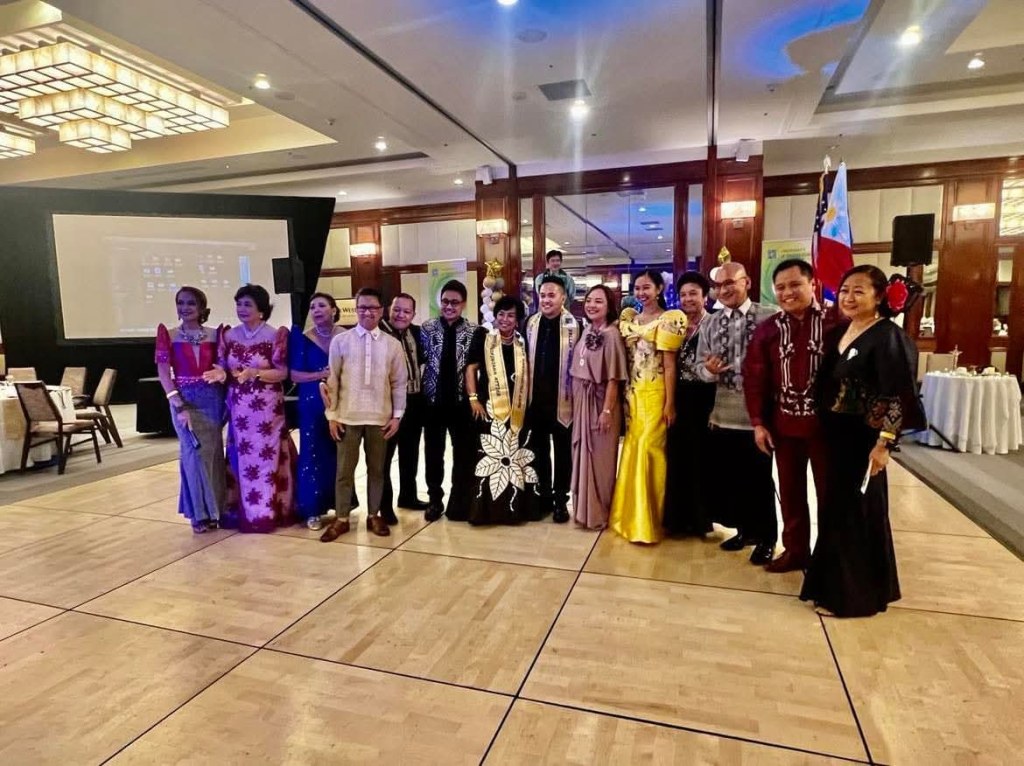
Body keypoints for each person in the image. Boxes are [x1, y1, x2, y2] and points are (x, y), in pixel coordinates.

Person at [801, 266, 923, 617]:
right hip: (834, 434)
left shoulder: (888, 336)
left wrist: (884, 444)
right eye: (844, 290)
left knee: (859, 511)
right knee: (835, 510)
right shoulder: (842, 330)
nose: (849, 298)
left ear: (879, 296)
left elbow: (897, 394)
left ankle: (855, 598)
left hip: (865, 438)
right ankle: (829, 586)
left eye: (859, 291)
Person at [744, 260, 831, 572]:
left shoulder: (836, 322)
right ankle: (796, 552)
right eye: (780, 287)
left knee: (830, 495)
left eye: (795, 285)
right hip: (784, 426)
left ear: (812, 284)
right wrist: (758, 423)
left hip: (828, 429)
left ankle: (830, 558)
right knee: (791, 493)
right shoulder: (769, 329)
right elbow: (755, 377)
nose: (787, 292)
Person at [696, 261, 777, 564]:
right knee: (733, 479)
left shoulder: (770, 317)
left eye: (730, 282)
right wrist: (709, 370)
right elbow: (698, 367)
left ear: (748, 282)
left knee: (760, 480)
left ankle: (767, 537)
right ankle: (745, 531)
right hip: (723, 415)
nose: (724, 289)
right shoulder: (711, 323)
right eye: (718, 285)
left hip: (759, 419)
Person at [320, 287, 407, 541]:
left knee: (377, 470)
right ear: (355, 310)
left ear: (381, 311)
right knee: (344, 471)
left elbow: (399, 383)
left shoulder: (392, 345)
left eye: (372, 308)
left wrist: (397, 416)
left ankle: (373, 515)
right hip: (347, 417)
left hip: (380, 418)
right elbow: (332, 380)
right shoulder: (341, 341)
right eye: (362, 307)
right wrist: (332, 416)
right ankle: (342, 518)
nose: (367, 312)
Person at [609, 269, 685, 543]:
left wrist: (670, 403)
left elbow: (670, 365)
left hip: (656, 394)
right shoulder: (629, 319)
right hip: (632, 394)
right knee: (631, 448)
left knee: (648, 449)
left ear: (659, 289)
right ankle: (627, 516)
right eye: (637, 288)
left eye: (647, 288)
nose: (641, 293)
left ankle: (649, 520)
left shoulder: (669, 319)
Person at [214, 284, 296, 533]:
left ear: (261, 309)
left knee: (265, 456)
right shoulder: (229, 335)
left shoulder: (274, 335)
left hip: (267, 408)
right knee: (242, 455)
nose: (242, 309)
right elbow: (223, 367)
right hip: (239, 407)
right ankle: (244, 509)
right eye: (239, 304)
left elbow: (283, 373)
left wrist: (255, 373)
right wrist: (221, 374)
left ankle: (265, 511)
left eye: (247, 304)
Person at [155, 286, 227, 534]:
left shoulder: (216, 334)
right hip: (184, 401)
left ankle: (215, 511)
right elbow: (164, 373)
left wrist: (222, 374)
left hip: (213, 400)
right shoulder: (169, 335)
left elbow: (223, 367)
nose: (185, 308)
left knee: (213, 455)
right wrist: (178, 404)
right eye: (181, 303)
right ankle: (198, 514)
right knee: (192, 455)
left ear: (202, 308)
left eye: (191, 303)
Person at [464, 296, 539, 525]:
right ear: (495, 316)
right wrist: (473, 399)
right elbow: (471, 369)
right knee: (490, 458)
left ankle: (514, 511)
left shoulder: (523, 342)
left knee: (515, 459)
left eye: (511, 315)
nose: (505, 319)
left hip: (518, 410)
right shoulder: (484, 338)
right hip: (489, 409)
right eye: (501, 314)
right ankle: (486, 511)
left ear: (517, 320)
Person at [569, 285, 627, 530]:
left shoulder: (612, 334)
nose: (592, 305)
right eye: (589, 300)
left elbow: (614, 378)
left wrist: (607, 411)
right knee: (582, 455)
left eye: (598, 301)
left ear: (609, 306)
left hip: (601, 404)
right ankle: (584, 512)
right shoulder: (587, 330)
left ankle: (599, 513)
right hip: (582, 402)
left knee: (600, 460)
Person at [663, 272, 717, 537]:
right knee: (677, 457)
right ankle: (676, 520)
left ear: (705, 296)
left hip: (706, 397)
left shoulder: (715, 324)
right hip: (679, 395)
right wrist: (669, 403)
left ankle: (700, 520)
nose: (687, 299)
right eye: (683, 294)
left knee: (702, 459)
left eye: (693, 293)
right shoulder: (675, 324)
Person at [420, 279, 477, 522]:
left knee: (463, 455)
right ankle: (435, 500)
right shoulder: (427, 328)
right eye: (445, 301)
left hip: (461, 405)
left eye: (454, 302)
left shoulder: (474, 331)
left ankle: (459, 502)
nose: (449, 306)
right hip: (433, 403)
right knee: (433, 454)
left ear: (463, 304)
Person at [525, 276, 582, 522]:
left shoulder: (576, 326)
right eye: (543, 295)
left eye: (552, 295)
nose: (546, 300)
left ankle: (560, 500)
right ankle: (543, 497)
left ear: (563, 297)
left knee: (562, 453)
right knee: (538, 451)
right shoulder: (530, 323)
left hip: (564, 400)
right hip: (535, 401)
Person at [288, 292, 345, 530]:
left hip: (340, 401)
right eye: (313, 307)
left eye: (322, 305)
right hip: (311, 403)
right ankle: (312, 510)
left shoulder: (345, 336)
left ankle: (340, 506)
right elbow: (294, 375)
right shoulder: (303, 339)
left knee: (339, 453)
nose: (317, 310)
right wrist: (320, 374)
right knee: (312, 454)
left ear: (334, 310)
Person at [380, 292, 428, 519]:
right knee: (383, 458)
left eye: (406, 311)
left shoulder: (417, 333)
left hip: (414, 402)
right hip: (386, 406)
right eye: (397, 309)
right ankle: (384, 507)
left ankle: (408, 496)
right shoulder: (378, 334)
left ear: (413, 314)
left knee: (410, 453)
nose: (401, 315)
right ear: (389, 309)